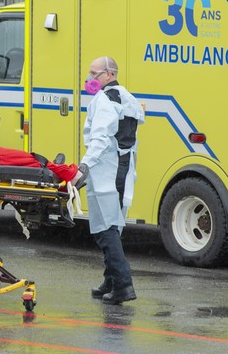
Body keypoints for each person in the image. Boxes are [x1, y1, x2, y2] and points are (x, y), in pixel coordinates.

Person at [81, 56, 144, 305]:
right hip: (123, 168)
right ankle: (111, 281)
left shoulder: (105, 100)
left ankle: (124, 284)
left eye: (94, 73)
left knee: (105, 228)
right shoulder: (126, 96)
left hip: (106, 168)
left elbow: (100, 138)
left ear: (109, 74)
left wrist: (85, 165)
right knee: (113, 225)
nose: (89, 78)